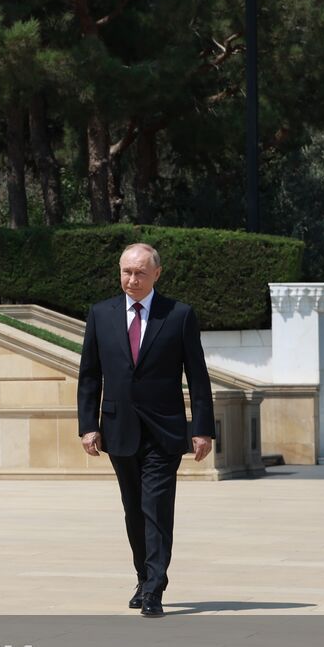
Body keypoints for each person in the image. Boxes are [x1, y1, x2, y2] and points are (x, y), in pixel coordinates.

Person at [77, 243, 213, 618]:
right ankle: (142, 577)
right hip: (118, 428)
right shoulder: (101, 314)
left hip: (165, 432)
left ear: (157, 273)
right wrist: (88, 426)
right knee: (133, 510)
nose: (131, 280)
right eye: (126, 272)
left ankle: (155, 587)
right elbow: (89, 374)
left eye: (139, 273)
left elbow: (198, 377)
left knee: (156, 508)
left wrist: (202, 428)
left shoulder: (179, 315)